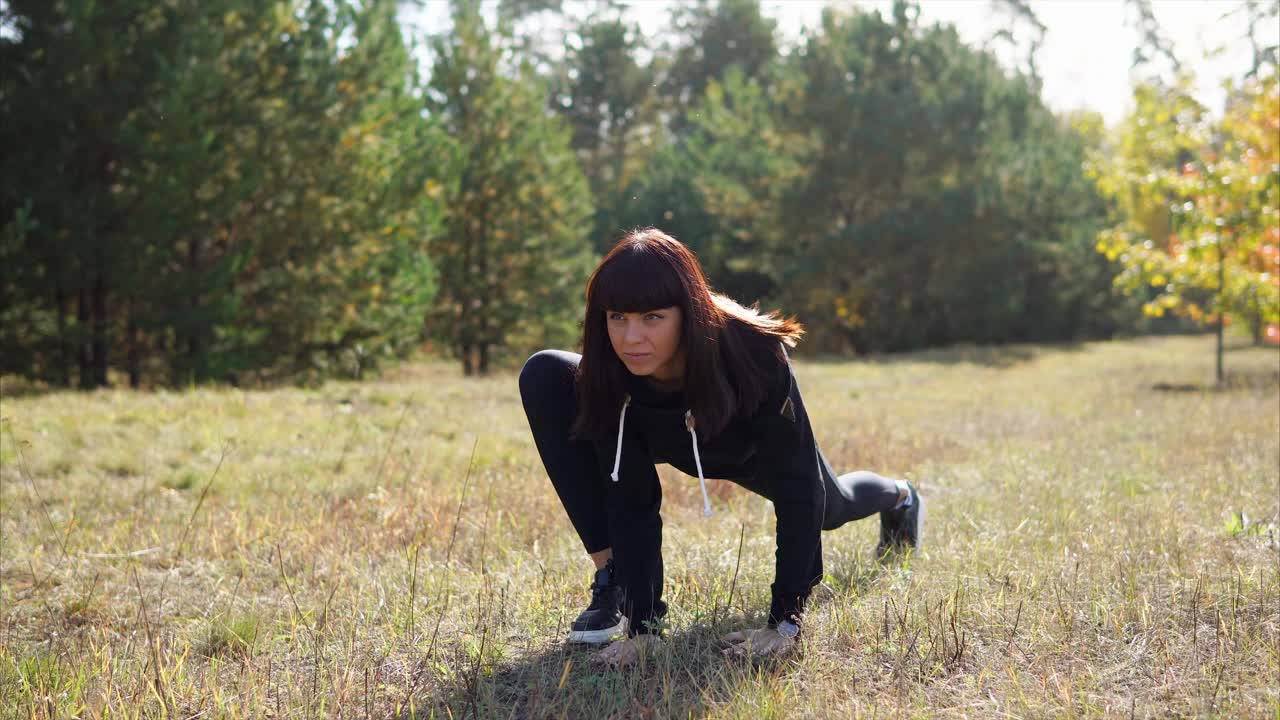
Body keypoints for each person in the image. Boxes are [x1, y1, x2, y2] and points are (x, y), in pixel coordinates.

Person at [518, 228, 924, 667]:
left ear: (687, 312)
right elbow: (630, 498)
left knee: (831, 507)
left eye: (652, 317)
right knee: (546, 373)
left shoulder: (752, 351)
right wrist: (643, 628)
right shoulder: (611, 368)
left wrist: (785, 623)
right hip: (665, 434)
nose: (630, 337)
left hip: (746, 448)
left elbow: (799, 487)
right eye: (618, 317)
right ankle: (614, 583)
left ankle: (900, 495)